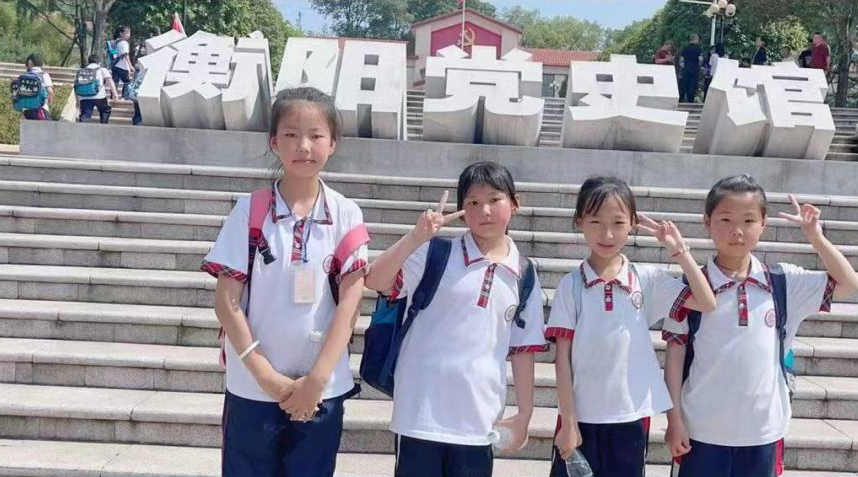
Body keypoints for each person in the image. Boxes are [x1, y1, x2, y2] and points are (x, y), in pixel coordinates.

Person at [201, 87, 369, 476]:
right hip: (252, 388)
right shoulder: (251, 210)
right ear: (273, 142)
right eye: (291, 134)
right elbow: (226, 300)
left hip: (321, 390)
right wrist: (264, 375)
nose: (303, 146)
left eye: (315, 135)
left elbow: (351, 302)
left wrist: (317, 380)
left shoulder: (346, 213)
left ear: (333, 143)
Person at [662, 175, 858, 477]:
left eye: (748, 220)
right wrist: (674, 419)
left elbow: (849, 283)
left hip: (763, 432)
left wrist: (815, 237)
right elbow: (674, 358)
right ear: (707, 221)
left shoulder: (783, 282)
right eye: (725, 219)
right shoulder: (688, 287)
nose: (737, 231)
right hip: (701, 431)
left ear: (763, 224)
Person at [365, 161, 546, 477]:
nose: (484, 211)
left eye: (494, 199)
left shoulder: (524, 273)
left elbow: (523, 349)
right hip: (420, 414)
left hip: (478, 418)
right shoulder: (435, 253)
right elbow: (376, 280)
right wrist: (415, 238)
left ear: (515, 203)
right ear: (461, 210)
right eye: (473, 203)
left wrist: (525, 413)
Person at [547, 176, 716, 477]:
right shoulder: (571, 286)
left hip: (631, 416)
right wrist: (568, 420)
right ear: (579, 221)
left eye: (618, 223)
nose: (607, 234)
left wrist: (679, 251)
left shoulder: (646, 279)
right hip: (580, 418)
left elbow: (706, 302)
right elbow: (562, 358)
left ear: (633, 224)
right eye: (596, 222)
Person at [76, 54, 118, 124]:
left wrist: (77, 100)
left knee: (85, 115)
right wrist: (115, 93)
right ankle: (103, 126)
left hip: (84, 97)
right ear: (99, 62)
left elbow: (77, 86)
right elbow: (110, 81)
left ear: (88, 62)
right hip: (99, 96)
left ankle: (82, 129)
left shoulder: (81, 71)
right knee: (105, 110)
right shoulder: (102, 69)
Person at [17, 53, 54, 120]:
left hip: (26, 111)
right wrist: (49, 102)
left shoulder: (23, 76)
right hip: (42, 109)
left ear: (29, 63)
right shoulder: (44, 75)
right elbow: (50, 92)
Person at [111, 26, 134, 95]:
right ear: (121, 34)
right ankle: (125, 96)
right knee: (127, 82)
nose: (128, 35)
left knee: (115, 82)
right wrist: (130, 66)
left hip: (115, 64)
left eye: (129, 33)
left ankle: (113, 96)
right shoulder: (124, 42)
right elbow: (126, 54)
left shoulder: (115, 42)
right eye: (127, 33)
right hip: (122, 66)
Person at [680, 34, 702, 103]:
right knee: (692, 86)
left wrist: (684, 67)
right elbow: (700, 59)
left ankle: (682, 99)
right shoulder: (698, 49)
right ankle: (690, 101)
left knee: (685, 85)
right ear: (696, 39)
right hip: (694, 70)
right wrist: (699, 66)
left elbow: (681, 60)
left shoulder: (685, 49)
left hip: (686, 69)